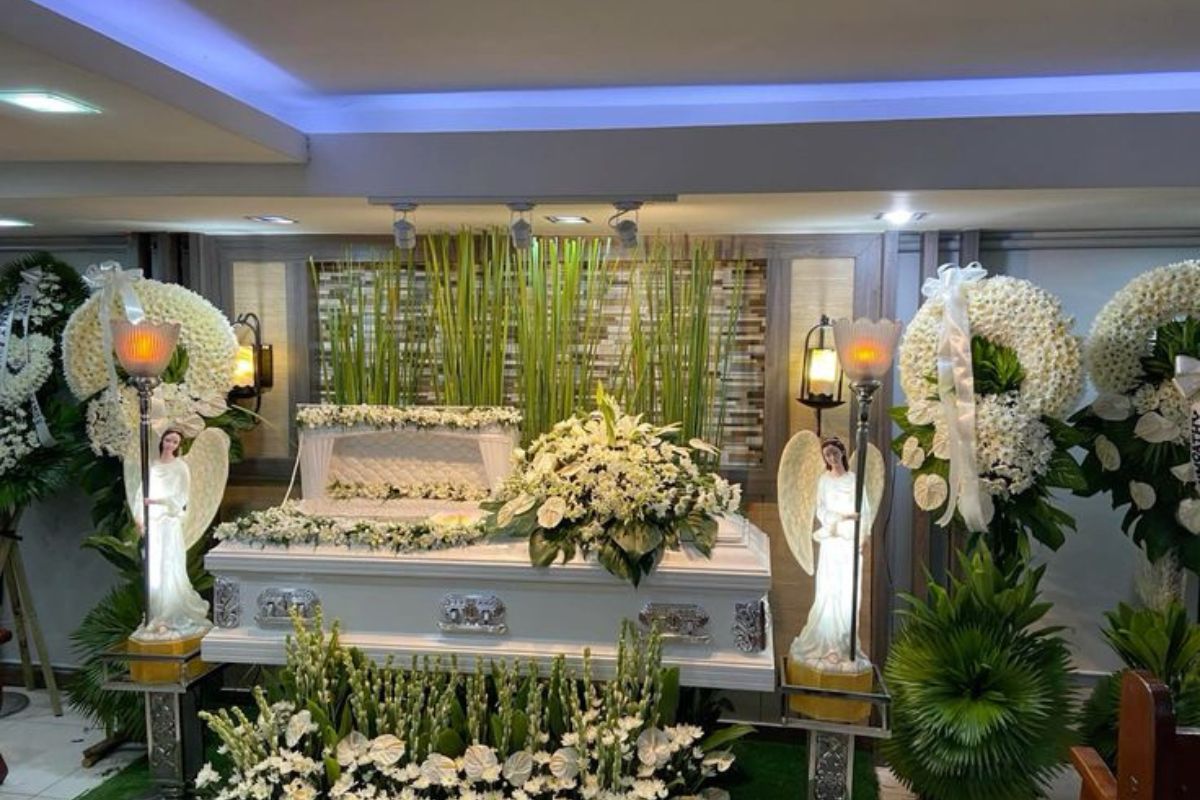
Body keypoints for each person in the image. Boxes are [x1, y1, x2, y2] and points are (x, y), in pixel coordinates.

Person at [791, 437, 871, 667]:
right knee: (829, 591)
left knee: (847, 593)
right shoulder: (824, 481)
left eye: (835, 453)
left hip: (848, 542)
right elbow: (821, 510)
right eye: (827, 455)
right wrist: (841, 517)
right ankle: (827, 643)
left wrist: (862, 534)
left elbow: (864, 510)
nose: (832, 458)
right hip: (832, 540)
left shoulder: (854, 480)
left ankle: (844, 643)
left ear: (842, 453)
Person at [131, 428, 210, 640]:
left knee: (169, 564)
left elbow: (182, 497)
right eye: (168, 440)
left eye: (175, 442)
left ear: (179, 445)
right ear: (162, 441)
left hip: (168, 521)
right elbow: (140, 493)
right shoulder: (153, 466)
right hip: (153, 522)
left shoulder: (180, 467)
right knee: (154, 568)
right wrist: (140, 517)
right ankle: (156, 613)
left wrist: (158, 501)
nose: (170, 445)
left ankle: (171, 614)